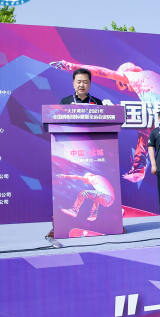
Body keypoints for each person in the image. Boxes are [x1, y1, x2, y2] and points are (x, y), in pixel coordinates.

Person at [50, 60, 160, 183]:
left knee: (112, 108)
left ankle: (82, 113)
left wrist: (71, 66)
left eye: (123, 85)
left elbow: (104, 72)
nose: (128, 88)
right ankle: (139, 167)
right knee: (146, 128)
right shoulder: (155, 78)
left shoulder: (136, 76)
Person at [45, 67, 105, 245]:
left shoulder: (97, 102)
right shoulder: (65, 101)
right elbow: (56, 121)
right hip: (71, 151)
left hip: (92, 153)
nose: (81, 85)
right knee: (71, 187)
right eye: (78, 82)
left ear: (90, 84)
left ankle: (99, 223)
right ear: (73, 84)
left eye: (85, 81)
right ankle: (65, 224)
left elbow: (104, 123)